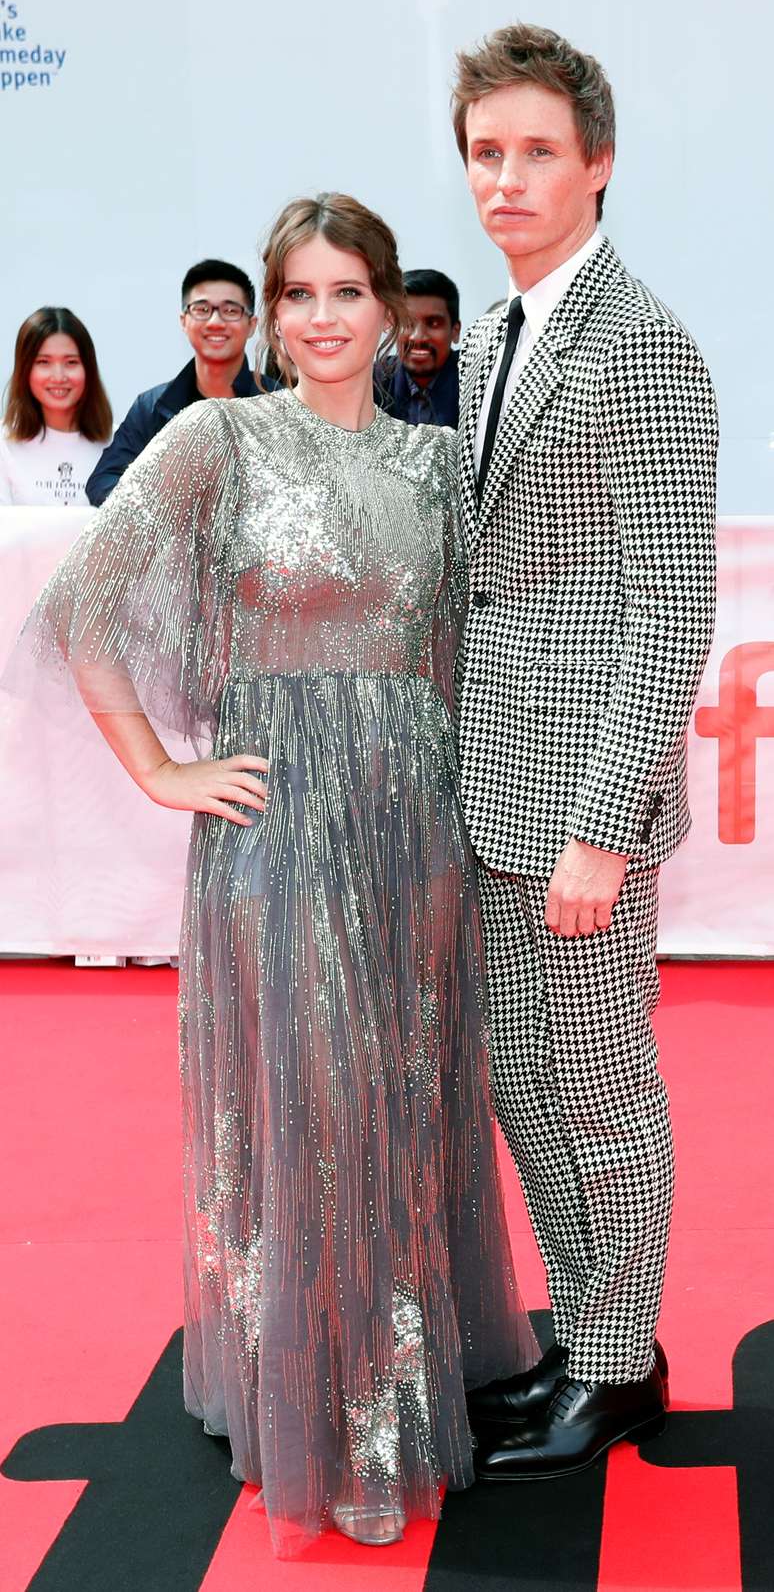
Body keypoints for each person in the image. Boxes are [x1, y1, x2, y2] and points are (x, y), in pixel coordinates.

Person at [10, 192, 537, 1553]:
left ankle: (403, 1373)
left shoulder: (440, 466)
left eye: (346, 291)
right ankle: (333, 1412)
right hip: (280, 828)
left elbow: (482, 651)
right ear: (267, 311)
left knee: (406, 1100)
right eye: (296, 293)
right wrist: (158, 768)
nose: (320, 318)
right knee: (316, 1109)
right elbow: (79, 607)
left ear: (389, 306)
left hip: (416, 829)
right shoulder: (217, 439)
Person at [450, 24, 718, 1479]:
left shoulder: (644, 348)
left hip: (576, 811)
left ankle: (617, 1367)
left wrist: (604, 827)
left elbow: (668, 609)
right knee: (523, 1076)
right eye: (484, 152)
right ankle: (593, 1331)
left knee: (598, 1083)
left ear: (597, 163)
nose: (505, 179)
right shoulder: (492, 335)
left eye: (536, 151)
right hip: (493, 788)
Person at [85, 258, 277, 506]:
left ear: (251, 325)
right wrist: (166, 507)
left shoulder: (277, 403)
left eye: (230, 311)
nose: (215, 322)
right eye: (202, 309)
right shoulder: (153, 406)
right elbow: (103, 481)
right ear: (184, 321)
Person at [0, 307, 111, 505]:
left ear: (88, 369)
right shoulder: (4, 444)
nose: (59, 377)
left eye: (71, 362)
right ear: (25, 370)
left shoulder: (117, 443)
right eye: (43, 362)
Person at [374, 268, 461, 426]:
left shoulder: (474, 382)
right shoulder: (373, 383)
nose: (418, 337)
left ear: (455, 331)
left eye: (433, 323)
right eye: (407, 323)